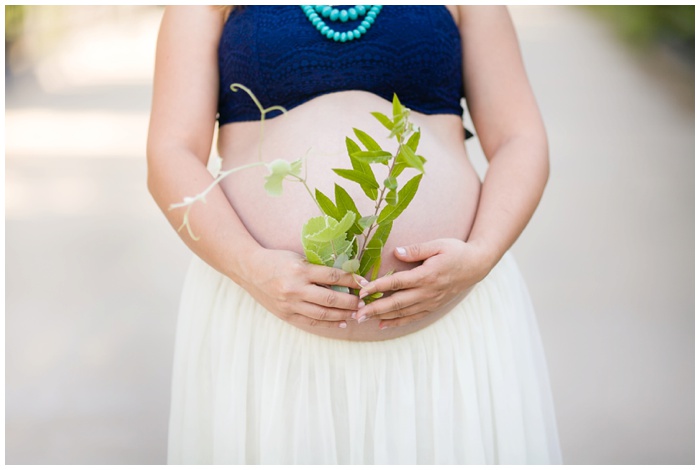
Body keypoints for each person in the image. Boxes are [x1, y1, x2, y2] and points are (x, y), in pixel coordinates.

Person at [147, 5, 561, 464]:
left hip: (448, 332)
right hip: (264, 327)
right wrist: (251, 266)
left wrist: (481, 255)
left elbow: (519, 138)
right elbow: (171, 151)